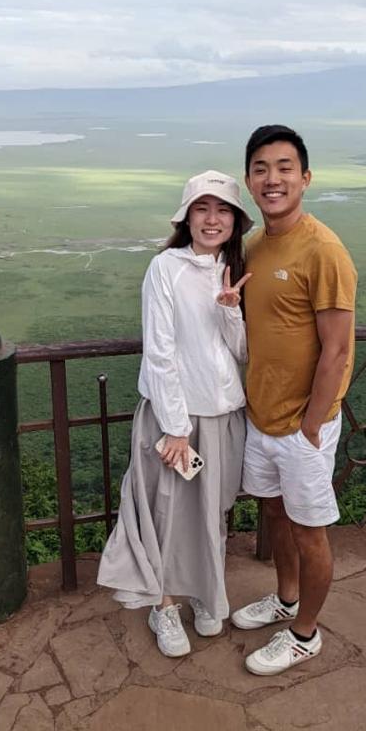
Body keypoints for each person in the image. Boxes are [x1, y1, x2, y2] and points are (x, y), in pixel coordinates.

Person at [97, 170, 252, 657]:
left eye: (222, 210)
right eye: (202, 209)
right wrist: (177, 429)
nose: (212, 219)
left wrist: (229, 309)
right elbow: (160, 352)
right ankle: (163, 605)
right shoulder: (165, 268)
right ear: (186, 217)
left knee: (213, 513)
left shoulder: (235, 267)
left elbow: (243, 353)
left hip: (225, 415)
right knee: (167, 514)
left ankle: (205, 593)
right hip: (176, 420)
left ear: (235, 220)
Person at [231, 125, 357, 675]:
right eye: (261, 169)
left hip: (304, 424)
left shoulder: (324, 250)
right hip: (262, 416)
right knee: (274, 513)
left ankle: (305, 633)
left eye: (284, 168)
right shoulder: (254, 247)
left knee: (309, 531)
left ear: (305, 178)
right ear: (249, 181)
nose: (272, 179)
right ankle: (285, 599)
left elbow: (337, 350)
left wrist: (310, 426)